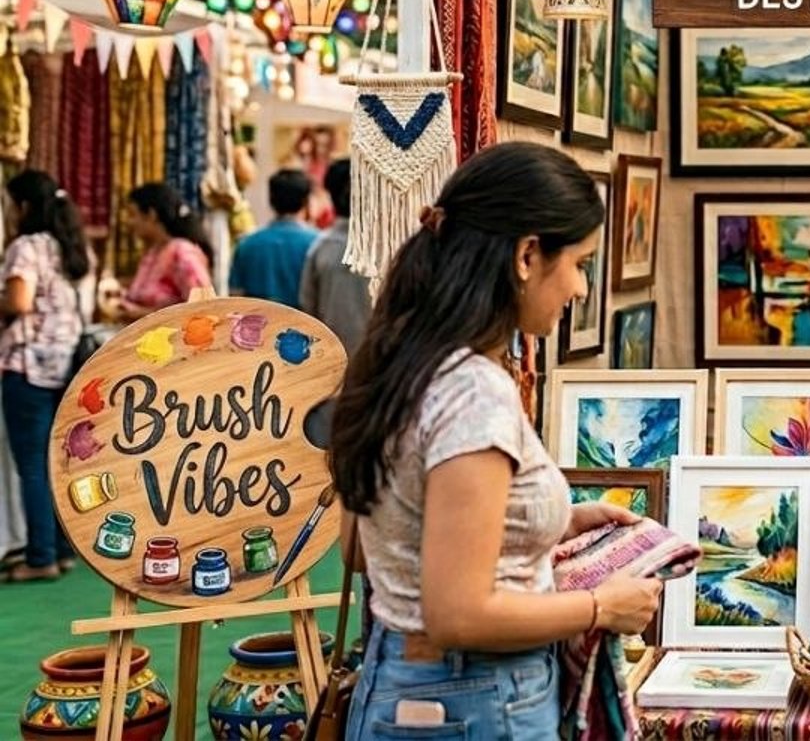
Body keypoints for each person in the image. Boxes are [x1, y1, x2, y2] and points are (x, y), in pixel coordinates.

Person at [329, 142, 659, 738]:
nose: (581, 289)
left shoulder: (396, 360)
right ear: (528, 256)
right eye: (580, 263)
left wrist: (552, 522)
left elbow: (368, 547)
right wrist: (601, 608)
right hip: (475, 700)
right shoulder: (474, 391)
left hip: (406, 685)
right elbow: (459, 614)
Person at [0, 172, 88, 581]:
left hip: (28, 365)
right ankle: (63, 549)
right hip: (64, 363)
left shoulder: (26, 246)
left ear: (24, 206)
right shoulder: (67, 244)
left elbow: (19, 302)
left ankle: (40, 557)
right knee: (58, 462)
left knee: (33, 465)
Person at [301, 158, 371, 354]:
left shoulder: (320, 248)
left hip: (332, 358)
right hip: (380, 360)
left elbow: (308, 308)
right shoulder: (390, 247)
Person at [117, 182, 213, 321]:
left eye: (132, 214)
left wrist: (142, 314)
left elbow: (203, 309)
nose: (129, 222)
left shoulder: (182, 253)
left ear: (151, 215)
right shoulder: (153, 252)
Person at [229, 169, 319, 307]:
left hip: (258, 320)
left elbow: (235, 299)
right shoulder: (317, 244)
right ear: (306, 201)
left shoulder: (246, 245)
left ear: (270, 199)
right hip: (304, 320)